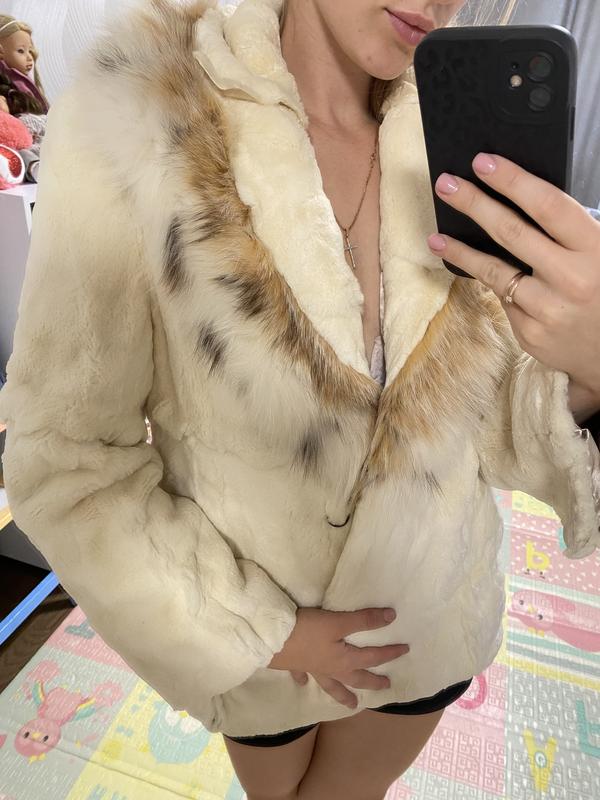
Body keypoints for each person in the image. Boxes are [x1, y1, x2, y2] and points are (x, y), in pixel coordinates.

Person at [0, 1, 599, 798]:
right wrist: (260, 632)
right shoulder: (146, 115)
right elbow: (66, 459)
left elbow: (488, 415)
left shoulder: (457, 130)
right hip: (251, 642)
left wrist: (589, 369)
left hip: (426, 621)